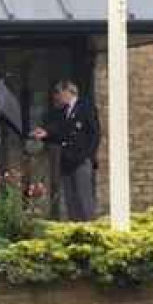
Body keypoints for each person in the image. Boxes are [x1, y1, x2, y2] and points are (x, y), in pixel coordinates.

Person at [31, 80, 101, 221]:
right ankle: (75, 231)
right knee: (70, 200)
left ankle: (89, 230)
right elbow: (61, 133)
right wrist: (45, 134)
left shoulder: (85, 107)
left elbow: (95, 134)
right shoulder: (63, 112)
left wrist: (88, 155)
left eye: (58, 93)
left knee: (83, 199)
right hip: (67, 160)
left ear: (67, 91)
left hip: (81, 160)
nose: (56, 97)